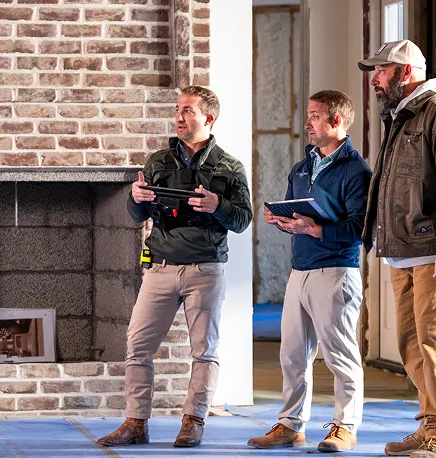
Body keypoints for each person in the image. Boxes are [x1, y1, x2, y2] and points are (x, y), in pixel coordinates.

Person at [97, 86, 253, 448]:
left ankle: (193, 421)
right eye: (178, 109)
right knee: (137, 346)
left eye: (187, 110)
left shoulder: (229, 167)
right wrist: (135, 200)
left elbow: (243, 220)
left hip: (205, 269)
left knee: (205, 351)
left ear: (208, 118)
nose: (179, 117)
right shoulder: (158, 162)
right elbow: (139, 215)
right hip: (160, 267)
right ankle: (135, 423)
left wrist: (217, 205)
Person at [358, 40, 436, 458]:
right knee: (412, 346)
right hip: (402, 251)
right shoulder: (401, 115)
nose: (374, 79)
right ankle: (429, 422)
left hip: (433, 252)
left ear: (405, 73)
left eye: (381, 71)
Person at [246, 90, 372, 453]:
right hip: (299, 270)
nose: (307, 124)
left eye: (315, 116)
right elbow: (298, 215)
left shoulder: (355, 171)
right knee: (292, 354)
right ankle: (289, 425)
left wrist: (316, 229)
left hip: (335, 271)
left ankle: (345, 428)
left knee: (339, 355)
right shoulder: (302, 167)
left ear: (336, 121)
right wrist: (283, 220)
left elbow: (362, 228)